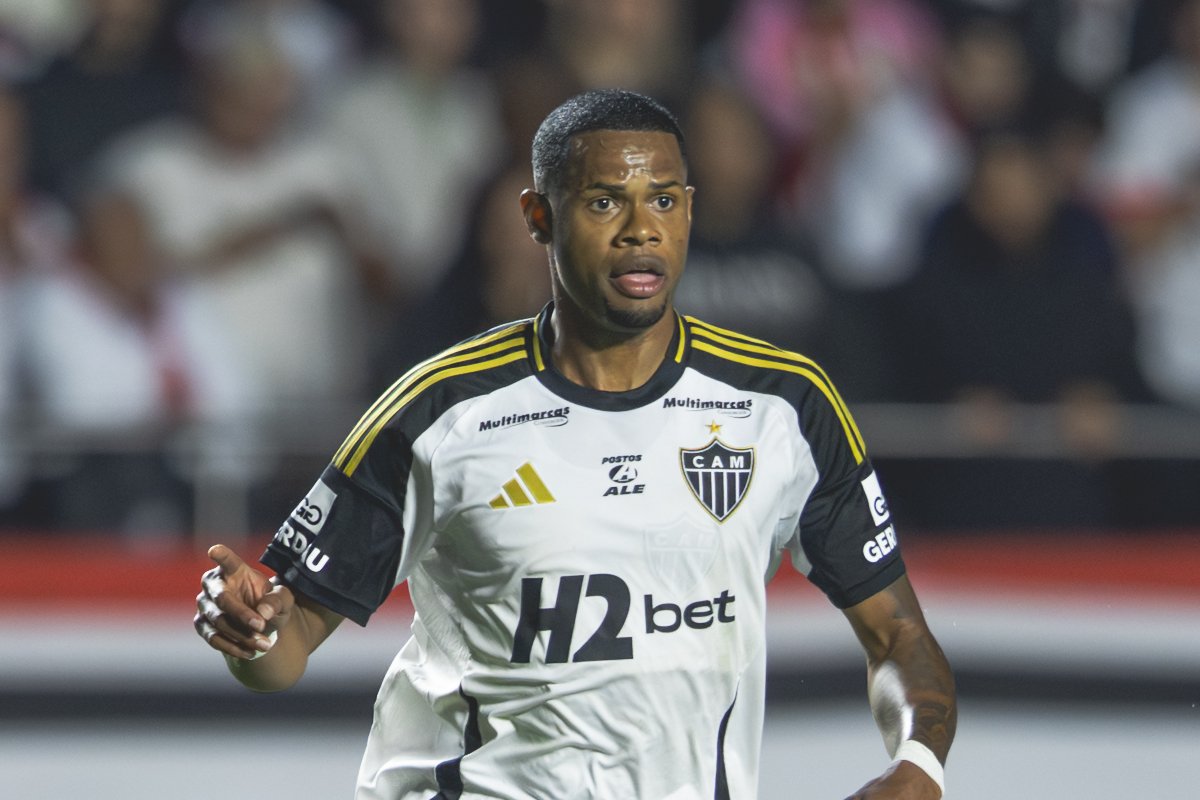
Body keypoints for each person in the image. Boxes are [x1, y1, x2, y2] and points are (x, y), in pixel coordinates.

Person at [194, 89, 956, 799]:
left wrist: (918, 766)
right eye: (603, 202)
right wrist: (250, 635)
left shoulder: (784, 404)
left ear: (690, 211)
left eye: (663, 199)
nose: (641, 228)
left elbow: (898, 635)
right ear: (538, 217)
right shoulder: (441, 410)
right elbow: (286, 643)